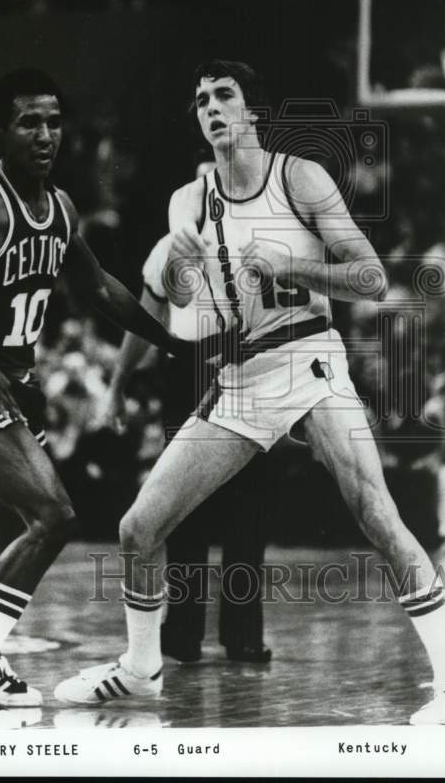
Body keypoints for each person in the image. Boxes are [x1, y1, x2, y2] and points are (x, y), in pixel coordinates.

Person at [56, 59, 445, 725]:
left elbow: (369, 278)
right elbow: (162, 297)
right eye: (200, 99)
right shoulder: (185, 204)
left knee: (377, 514)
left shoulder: (298, 177)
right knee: (137, 529)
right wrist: (174, 290)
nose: (210, 106)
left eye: (224, 95)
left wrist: (290, 264)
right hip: (239, 376)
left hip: (308, 356)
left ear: (252, 111)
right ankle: (140, 671)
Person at [0, 67, 187, 729]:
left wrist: (173, 342)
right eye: (29, 121)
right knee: (52, 517)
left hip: (14, 387)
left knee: (11, 529)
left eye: (54, 121)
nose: (45, 134)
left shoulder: (58, 207)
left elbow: (100, 288)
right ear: (0, 130)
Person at [100, 178, 272, 665]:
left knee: (250, 503)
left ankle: (242, 634)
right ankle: (181, 635)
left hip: (249, 361)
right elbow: (145, 319)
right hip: (189, 365)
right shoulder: (166, 250)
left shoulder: (258, 240)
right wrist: (117, 385)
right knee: (181, 504)